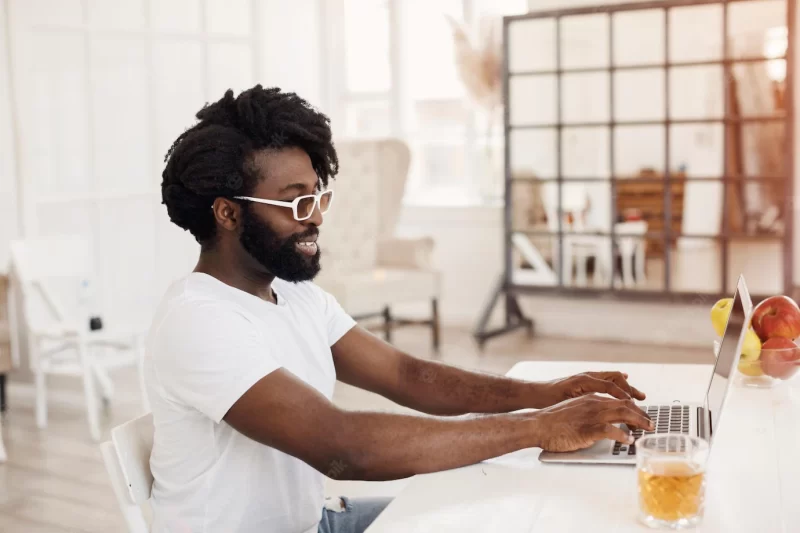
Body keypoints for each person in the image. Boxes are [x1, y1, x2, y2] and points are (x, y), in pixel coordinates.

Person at [145, 85, 654, 533]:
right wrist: (539, 426)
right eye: (297, 203)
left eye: (319, 197)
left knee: (498, 509)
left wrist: (544, 394)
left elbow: (408, 375)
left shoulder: (294, 294)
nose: (318, 217)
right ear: (228, 212)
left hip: (316, 522)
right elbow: (342, 448)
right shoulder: (199, 321)